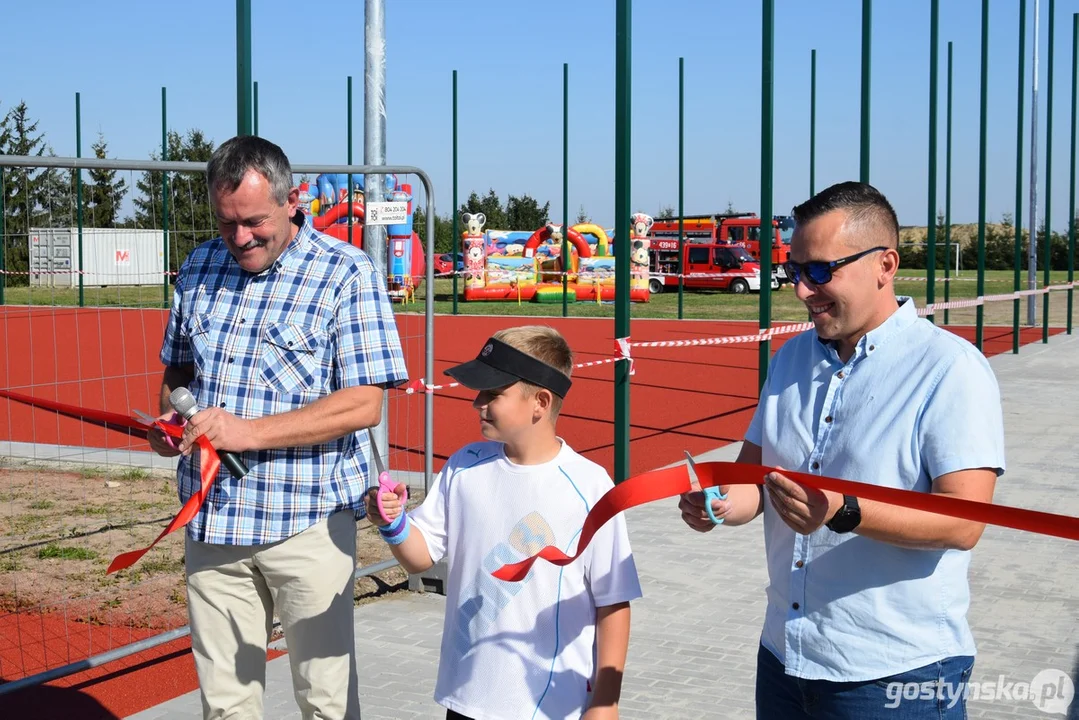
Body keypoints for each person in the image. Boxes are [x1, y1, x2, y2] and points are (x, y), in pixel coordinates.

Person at [678, 181, 1006, 719]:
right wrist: (719, 504)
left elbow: (965, 520)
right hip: (786, 656)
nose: (803, 290)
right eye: (795, 271)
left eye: (821, 271)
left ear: (885, 265)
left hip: (893, 672)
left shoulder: (950, 368)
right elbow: (754, 478)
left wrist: (842, 512)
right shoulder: (790, 358)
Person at [147, 135, 408, 720]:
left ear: (293, 202)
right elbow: (179, 370)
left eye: (254, 222)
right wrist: (167, 422)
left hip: (306, 526)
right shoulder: (199, 266)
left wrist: (249, 432)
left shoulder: (345, 273)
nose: (239, 239)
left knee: (326, 701)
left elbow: (365, 404)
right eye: (226, 223)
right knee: (227, 706)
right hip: (213, 523)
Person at [367, 325, 641, 720]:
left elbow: (613, 600)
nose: (477, 402)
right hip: (467, 699)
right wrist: (392, 523)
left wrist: (605, 701)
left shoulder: (590, 486)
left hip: (551, 707)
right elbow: (419, 557)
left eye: (493, 394)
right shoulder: (464, 466)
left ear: (540, 402)